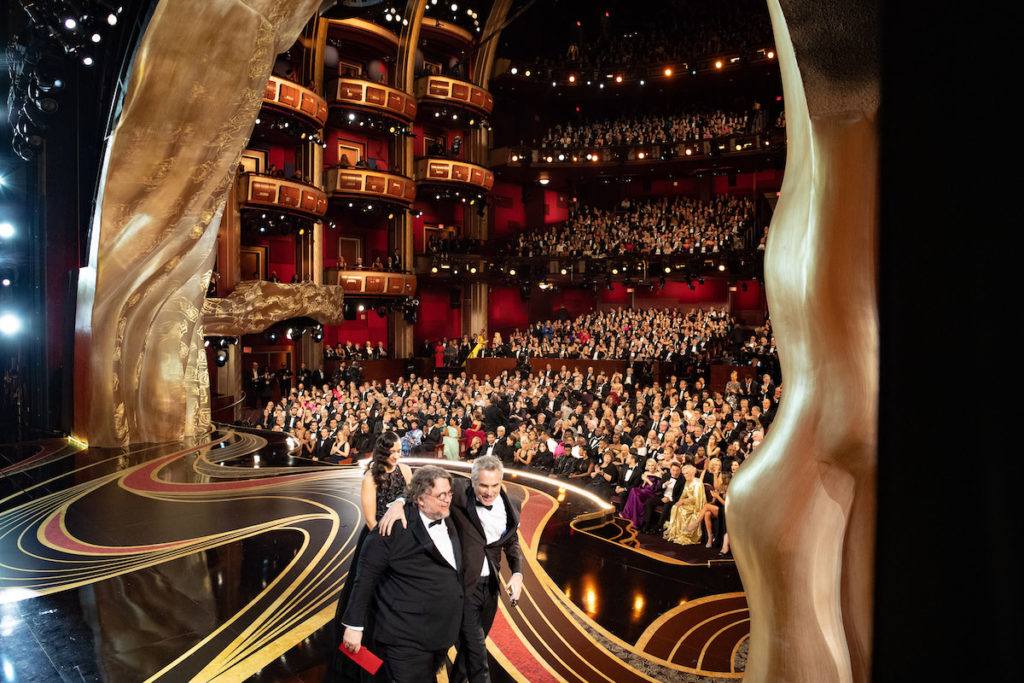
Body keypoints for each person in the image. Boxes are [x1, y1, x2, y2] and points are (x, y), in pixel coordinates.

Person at [379, 456, 524, 683]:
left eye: (495, 485)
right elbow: (421, 488)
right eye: (483, 485)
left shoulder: (512, 503)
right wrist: (398, 502)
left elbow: (511, 541)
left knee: (469, 656)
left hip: (491, 589)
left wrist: (517, 572)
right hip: (464, 588)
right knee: (478, 657)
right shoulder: (457, 490)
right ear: (471, 482)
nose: (489, 492)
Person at [341, 467, 464, 681]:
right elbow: (365, 576)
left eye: (449, 493)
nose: (447, 499)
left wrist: (399, 499)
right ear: (420, 499)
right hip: (403, 636)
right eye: (440, 495)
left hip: (439, 635)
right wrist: (353, 626)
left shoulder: (449, 514)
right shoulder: (393, 528)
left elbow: (482, 486)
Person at [328, 432, 411, 681]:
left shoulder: (405, 471)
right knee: (367, 588)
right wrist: (387, 549)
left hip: (401, 540)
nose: (397, 456)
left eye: (399, 451)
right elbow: (371, 520)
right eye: (393, 452)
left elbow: (412, 499)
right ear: (382, 452)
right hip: (377, 541)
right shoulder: (370, 477)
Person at [663, 464, 708, 545]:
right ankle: (676, 533)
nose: (684, 475)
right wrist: (679, 502)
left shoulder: (697, 482)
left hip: (696, 505)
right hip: (688, 503)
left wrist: (683, 502)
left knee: (682, 510)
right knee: (675, 507)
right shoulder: (687, 482)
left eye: (686, 473)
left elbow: (696, 498)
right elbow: (683, 495)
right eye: (684, 474)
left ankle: (685, 533)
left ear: (692, 473)